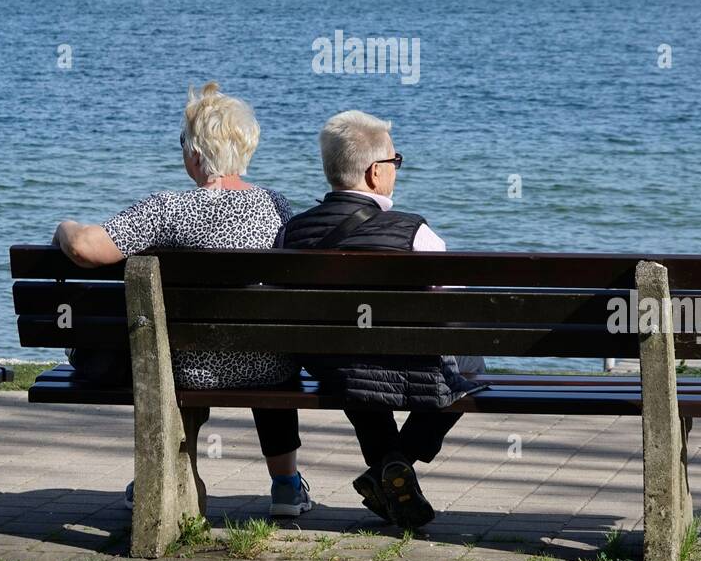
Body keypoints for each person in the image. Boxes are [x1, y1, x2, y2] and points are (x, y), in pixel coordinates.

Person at [52, 82, 312, 518]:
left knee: (167, 351)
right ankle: (286, 485)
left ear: (194, 154)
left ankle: (163, 474)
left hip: (188, 368)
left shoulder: (167, 209)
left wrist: (65, 225)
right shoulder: (277, 206)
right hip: (270, 364)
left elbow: (85, 248)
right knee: (258, 338)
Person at [277, 110, 482, 529]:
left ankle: (388, 470)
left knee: (356, 370)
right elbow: (454, 308)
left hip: (332, 368)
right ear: (374, 172)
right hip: (400, 365)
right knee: (472, 366)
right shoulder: (414, 233)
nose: (396, 170)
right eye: (395, 162)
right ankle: (395, 464)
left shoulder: (292, 233)